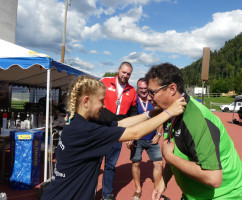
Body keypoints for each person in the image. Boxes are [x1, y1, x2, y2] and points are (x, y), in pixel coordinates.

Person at [41, 75, 186, 200]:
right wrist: (169, 113)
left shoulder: (80, 121)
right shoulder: (85, 130)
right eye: (101, 100)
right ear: (86, 101)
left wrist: (151, 113)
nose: (103, 106)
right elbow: (134, 133)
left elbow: (120, 123)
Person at [143, 63, 242, 200]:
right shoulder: (172, 112)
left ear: (172, 88)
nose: (148, 97)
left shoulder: (196, 119)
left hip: (228, 196)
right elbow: (177, 152)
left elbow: (213, 178)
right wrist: (163, 181)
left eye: (152, 92)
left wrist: (169, 157)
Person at [98, 61, 137, 200]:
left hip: (117, 131)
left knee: (110, 165)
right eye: (124, 72)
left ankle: (107, 194)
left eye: (128, 74)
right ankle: (88, 192)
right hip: (101, 128)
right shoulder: (104, 82)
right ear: (118, 70)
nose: (125, 75)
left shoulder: (132, 91)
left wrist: (131, 133)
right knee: (94, 163)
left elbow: (133, 114)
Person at [126, 78, 163, 200]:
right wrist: (129, 135)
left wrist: (159, 134)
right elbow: (129, 118)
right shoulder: (134, 100)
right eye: (140, 88)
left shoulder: (153, 100)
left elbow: (160, 116)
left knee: (158, 163)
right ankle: (138, 190)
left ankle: (157, 190)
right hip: (137, 138)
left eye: (145, 88)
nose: (143, 91)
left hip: (152, 138)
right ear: (137, 88)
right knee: (136, 163)